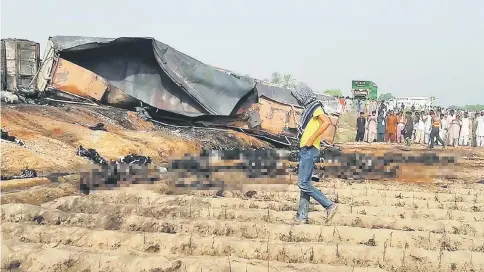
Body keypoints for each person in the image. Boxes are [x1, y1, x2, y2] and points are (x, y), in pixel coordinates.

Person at [289, 84, 337, 225]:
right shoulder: (309, 108)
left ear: (303, 95)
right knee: (306, 184)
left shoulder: (315, 106)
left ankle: (329, 205)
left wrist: (311, 139)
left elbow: (326, 122)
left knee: (303, 184)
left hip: (310, 149)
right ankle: (301, 217)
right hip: (306, 149)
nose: (297, 100)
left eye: (298, 96)